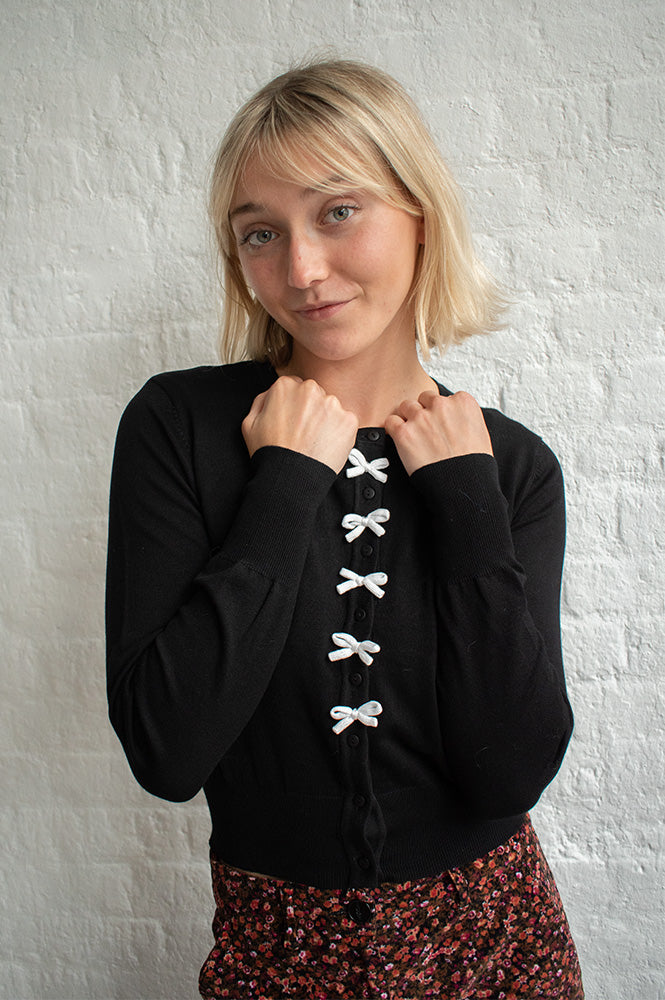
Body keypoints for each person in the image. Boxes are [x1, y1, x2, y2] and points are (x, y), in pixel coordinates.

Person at [106, 59, 584, 999]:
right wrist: (283, 484)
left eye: (337, 212)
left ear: (419, 213)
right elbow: (167, 751)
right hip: (276, 950)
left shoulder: (509, 465)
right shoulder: (179, 427)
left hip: (493, 944)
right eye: (260, 233)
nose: (301, 270)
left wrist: (466, 503)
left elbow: (509, 774)